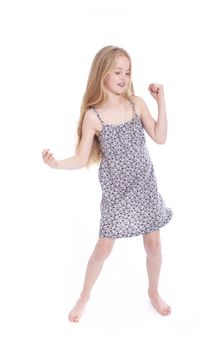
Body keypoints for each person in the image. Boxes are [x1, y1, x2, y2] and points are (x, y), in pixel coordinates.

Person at [42, 45, 173, 322]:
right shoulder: (94, 116)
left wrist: (161, 101)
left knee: (154, 245)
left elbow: (160, 138)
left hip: (145, 186)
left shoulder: (136, 103)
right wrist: (57, 164)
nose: (124, 77)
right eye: (117, 72)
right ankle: (84, 295)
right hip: (117, 194)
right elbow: (81, 157)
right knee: (103, 248)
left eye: (127, 71)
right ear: (102, 74)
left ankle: (153, 291)